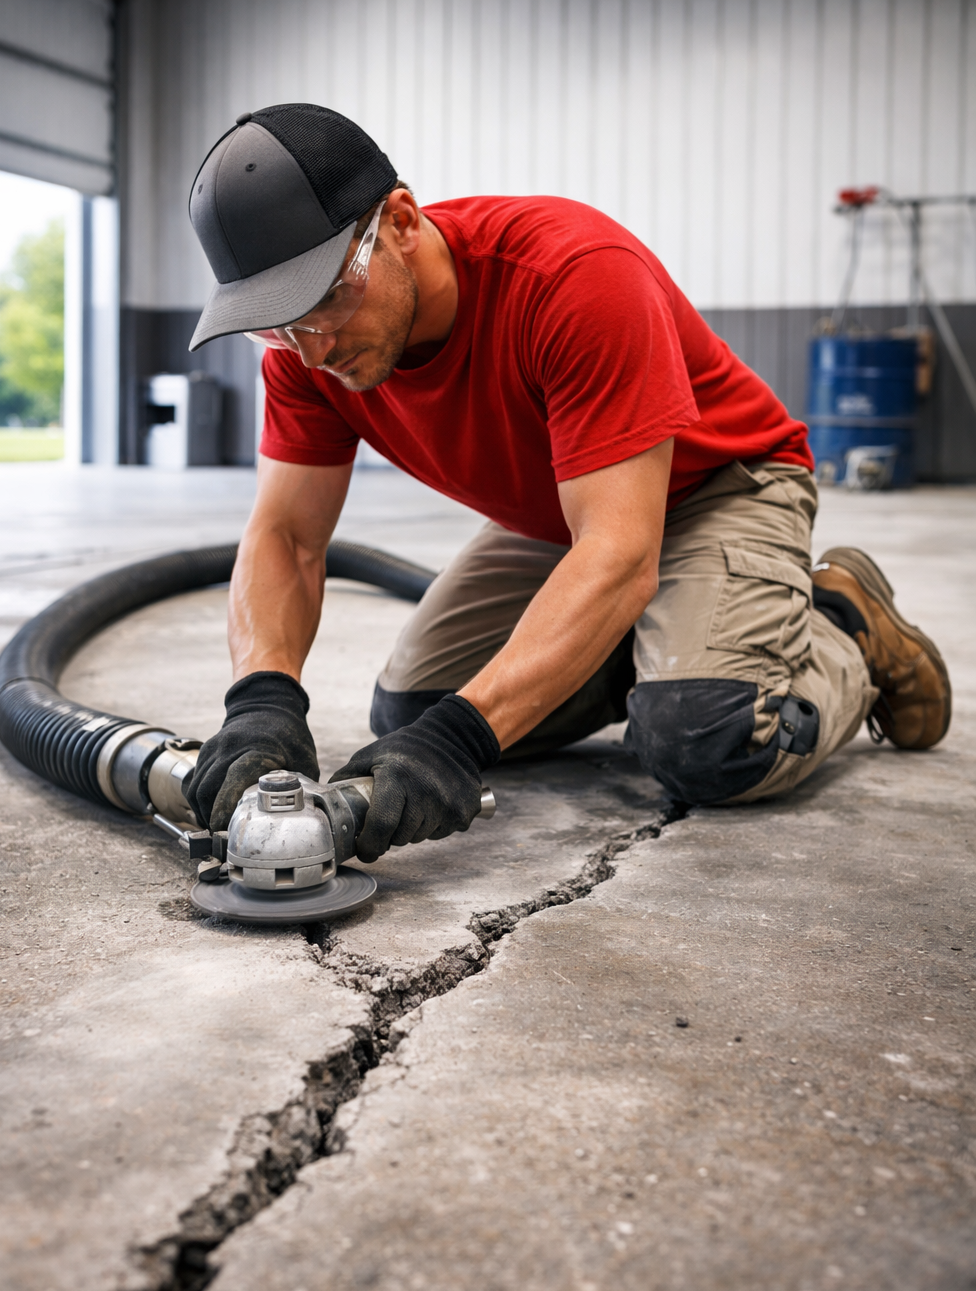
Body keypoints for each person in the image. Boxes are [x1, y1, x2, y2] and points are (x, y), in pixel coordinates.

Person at [183, 103, 951, 861]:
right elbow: (285, 534)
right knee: (411, 710)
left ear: (403, 222)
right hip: (567, 511)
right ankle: (667, 644)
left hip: (721, 487)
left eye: (323, 301)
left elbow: (618, 552)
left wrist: (462, 739)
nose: (312, 351)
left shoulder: (574, 278)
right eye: (276, 323)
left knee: (706, 739)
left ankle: (845, 624)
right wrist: (262, 699)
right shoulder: (303, 355)